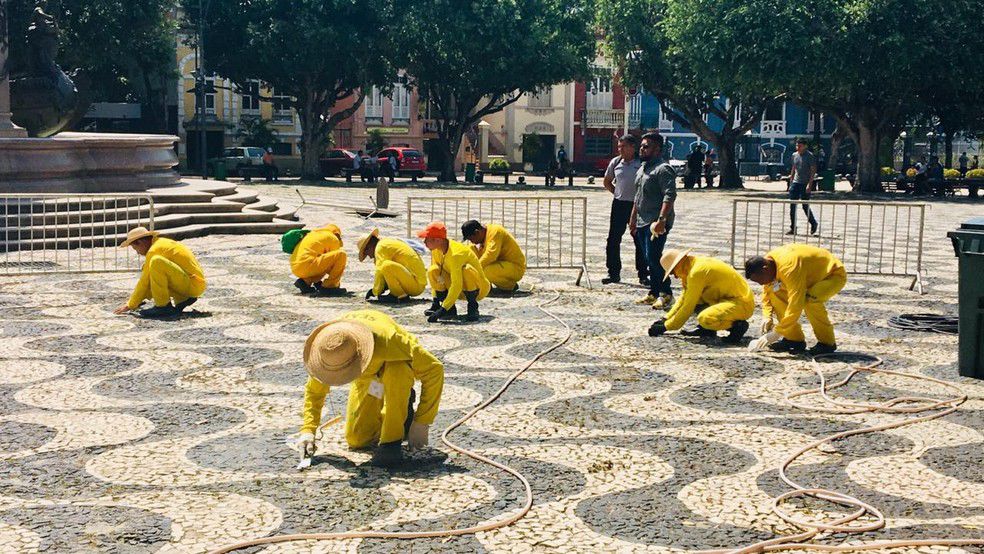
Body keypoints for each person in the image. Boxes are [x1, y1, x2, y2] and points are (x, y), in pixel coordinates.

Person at [297, 309, 444, 468]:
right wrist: (308, 430)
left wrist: (422, 421)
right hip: (369, 380)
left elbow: (434, 369)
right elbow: (315, 392)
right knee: (357, 439)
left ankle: (392, 441)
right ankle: (401, 417)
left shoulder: (390, 341)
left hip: (393, 367)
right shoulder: (328, 348)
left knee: (397, 372)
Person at [744, 244, 847, 356]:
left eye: (759, 280)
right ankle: (793, 339)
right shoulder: (768, 262)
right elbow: (768, 292)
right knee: (776, 294)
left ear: (765, 269)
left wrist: (777, 333)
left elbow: (796, 303)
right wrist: (767, 316)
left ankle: (827, 343)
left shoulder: (789, 267)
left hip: (832, 275)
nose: (761, 284)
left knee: (809, 300)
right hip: (808, 278)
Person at [648, 249, 754, 344]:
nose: (675, 276)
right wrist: (665, 318)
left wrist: (666, 327)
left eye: (672, 272)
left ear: (678, 265)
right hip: (729, 300)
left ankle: (737, 327)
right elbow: (684, 297)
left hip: (742, 304)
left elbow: (687, 306)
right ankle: (707, 329)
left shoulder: (696, 272)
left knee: (705, 318)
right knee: (697, 301)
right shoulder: (692, 266)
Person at [113, 226, 206, 319]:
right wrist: (137, 300)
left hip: (193, 286)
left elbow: (144, 281)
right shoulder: (161, 243)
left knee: (156, 262)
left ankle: (163, 307)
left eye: (135, 248)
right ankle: (182, 299)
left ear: (140, 243)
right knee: (149, 267)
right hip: (195, 284)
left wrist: (130, 305)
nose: (137, 252)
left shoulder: (154, 250)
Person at [630, 132, 677, 310]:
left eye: (646, 146)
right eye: (641, 146)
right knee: (648, 259)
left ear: (657, 149)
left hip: (656, 222)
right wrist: (633, 218)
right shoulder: (643, 168)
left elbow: (670, 195)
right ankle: (653, 292)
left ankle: (666, 294)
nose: (641, 149)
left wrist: (662, 220)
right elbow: (637, 196)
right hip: (642, 220)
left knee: (655, 258)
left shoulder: (663, 169)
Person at [418, 221, 490, 323]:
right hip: (458, 289)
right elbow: (437, 275)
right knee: (433, 270)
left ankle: (472, 307)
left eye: (427, 239)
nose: (424, 242)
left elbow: (457, 285)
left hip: (478, 288)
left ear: (438, 240)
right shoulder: (436, 249)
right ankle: (450, 309)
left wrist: (443, 309)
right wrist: (436, 301)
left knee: (466, 270)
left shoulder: (456, 254)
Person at [602, 134, 647, 286]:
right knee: (613, 239)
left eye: (623, 146)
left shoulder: (641, 163)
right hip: (619, 204)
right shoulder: (615, 162)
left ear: (632, 147)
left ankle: (643, 274)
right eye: (619, 146)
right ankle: (613, 272)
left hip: (638, 205)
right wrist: (617, 193)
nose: (620, 149)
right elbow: (607, 182)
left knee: (639, 239)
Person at [358, 228, 427, 303]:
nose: (369, 256)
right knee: (386, 265)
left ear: (369, 247)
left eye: (366, 253)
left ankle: (398, 295)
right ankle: (400, 294)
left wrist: (375, 292)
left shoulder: (380, 247)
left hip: (415, 285)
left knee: (386, 265)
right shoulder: (386, 243)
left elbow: (379, 270)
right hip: (417, 283)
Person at [461, 219, 526, 292]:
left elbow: (491, 255)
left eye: (471, 239)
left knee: (485, 272)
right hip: (500, 263)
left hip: (515, 267)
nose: (472, 241)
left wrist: (474, 269)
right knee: (470, 249)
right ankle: (486, 285)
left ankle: (509, 286)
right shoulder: (485, 233)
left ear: (477, 232)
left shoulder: (496, 232)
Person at [287, 224, 347, 296]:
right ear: (337, 234)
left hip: (296, 268)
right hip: (308, 265)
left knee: (321, 258)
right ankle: (330, 287)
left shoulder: (311, 235)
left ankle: (305, 282)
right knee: (341, 255)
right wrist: (335, 280)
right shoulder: (333, 237)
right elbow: (335, 263)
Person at [787, 138, 819, 236]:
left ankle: (813, 223)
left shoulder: (810, 156)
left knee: (805, 206)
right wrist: (791, 179)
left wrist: (810, 184)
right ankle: (793, 227)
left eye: (800, 146)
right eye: (797, 146)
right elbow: (794, 167)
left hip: (805, 183)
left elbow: (813, 170)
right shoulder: (794, 155)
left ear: (805, 146)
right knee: (792, 206)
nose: (798, 147)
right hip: (796, 182)